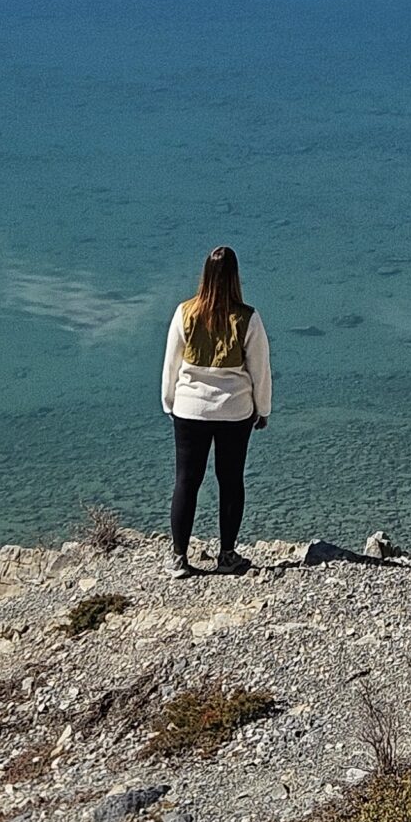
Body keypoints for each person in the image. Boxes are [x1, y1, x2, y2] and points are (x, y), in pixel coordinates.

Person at [161, 244, 271, 578]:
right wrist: (262, 409)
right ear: (235, 276)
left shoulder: (184, 313)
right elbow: (260, 369)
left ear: (205, 276)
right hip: (234, 410)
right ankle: (226, 556)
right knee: (231, 480)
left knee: (186, 481)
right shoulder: (248, 318)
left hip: (190, 409)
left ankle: (179, 558)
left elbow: (171, 364)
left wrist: (170, 403)